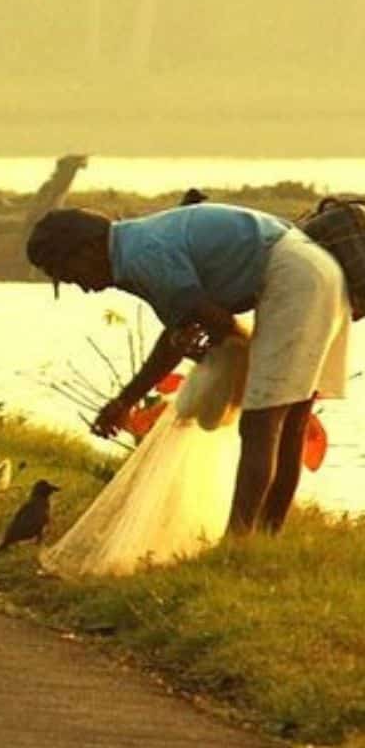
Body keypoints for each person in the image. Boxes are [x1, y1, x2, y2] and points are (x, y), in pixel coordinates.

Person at [26, 202, 350, 549]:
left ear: (88, 249)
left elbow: (213, 321)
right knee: (290, 423)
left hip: (295, 280)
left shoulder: (141, 255)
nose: (80, 285)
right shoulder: (135, 246)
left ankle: (237, 545)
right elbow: (179, 334)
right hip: (315, 271)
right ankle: (265, 543)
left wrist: (226, 349)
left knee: (262, 424)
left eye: (69, 272)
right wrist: (126, 400)